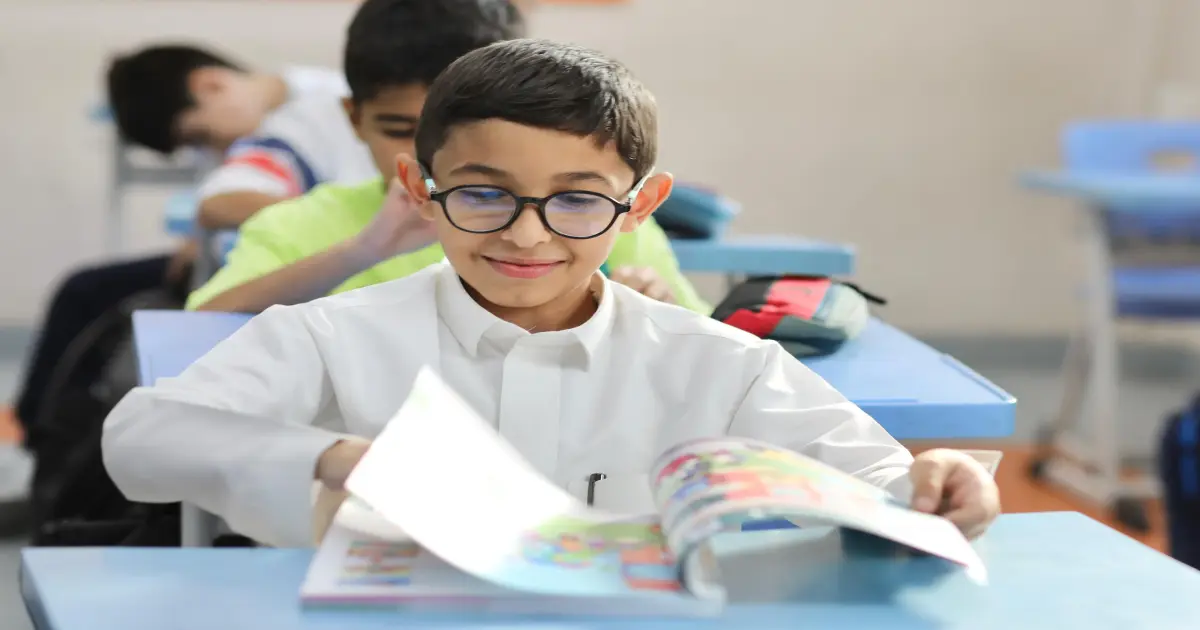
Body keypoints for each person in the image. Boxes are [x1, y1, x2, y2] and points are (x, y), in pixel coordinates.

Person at [102, 38, 1000, 549]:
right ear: (417, 189)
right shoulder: (334, 337)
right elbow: (140, 437)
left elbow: (889, 483)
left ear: (640, 205)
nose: (526, 236)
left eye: (575, 200)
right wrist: (337, 457)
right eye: (482, 194)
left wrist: (946, 482)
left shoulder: (717, 362)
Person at [0, 44, 367, 510]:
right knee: (86, 293)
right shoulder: (264, 133)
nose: (207, 149)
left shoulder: (326, 107)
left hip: (279, 269)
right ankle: (48, 456)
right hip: (236, 259)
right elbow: (220, 203)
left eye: (200, 136)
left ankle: (59, 469)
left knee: (98, 302)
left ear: (210, 85)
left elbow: (243, 205)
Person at [186, 0, 704, 315]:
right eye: (399, 128)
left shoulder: (599, 218)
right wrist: (361, 253)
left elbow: (703, 337)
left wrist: (655, 308)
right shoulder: (304, 224)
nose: (429, 151)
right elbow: (201, 327)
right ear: (354, 118)